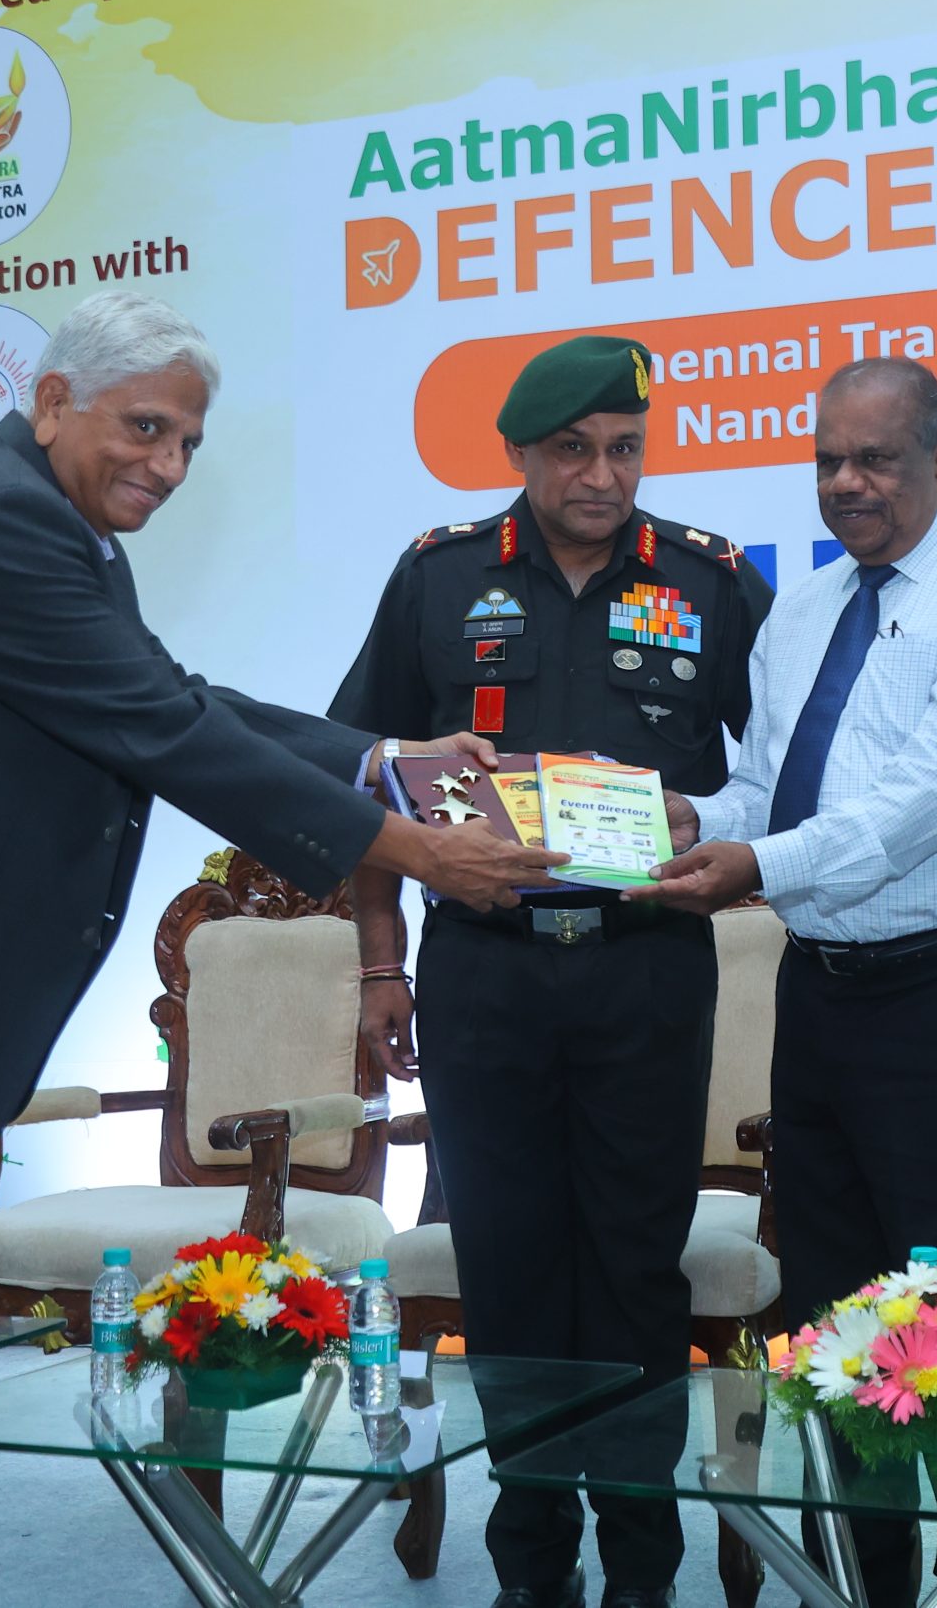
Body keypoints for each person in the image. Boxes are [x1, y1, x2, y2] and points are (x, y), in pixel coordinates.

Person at [0, 291, 558, 1608]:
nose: (167, 466)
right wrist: (411, 847)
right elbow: (164, 731)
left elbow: (177, 698)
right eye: (145, 428)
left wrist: (379, 756)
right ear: (55, 400)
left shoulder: (48, 524)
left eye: (187, 442)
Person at [331, 335, 769, 1608]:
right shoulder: (439, 576)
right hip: (486, 973)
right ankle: (531, 1566)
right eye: (574, 451)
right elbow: (362, 779)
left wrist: (713, 826)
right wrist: (379, 967)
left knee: (635, 1269)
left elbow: (783, 768)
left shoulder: (710, 581)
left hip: (647, 969)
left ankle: (641, 1567)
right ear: (520, 452)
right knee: (510, 1270)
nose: (603, 476)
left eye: (625, 448)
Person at [635, 357, 937, 1608]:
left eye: (874, 459)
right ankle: (858, 1589)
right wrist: (687, 820)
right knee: (833, 1325)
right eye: (828, 460)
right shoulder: (805, 608)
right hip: (816, 993)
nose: (846, 483)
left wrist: (757, 862)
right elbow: (767, 788)